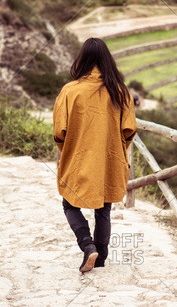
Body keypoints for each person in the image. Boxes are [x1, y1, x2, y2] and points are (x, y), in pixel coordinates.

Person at [53, 37, 138, 273]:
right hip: (110, 160)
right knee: (104, 210)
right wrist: (114, 149)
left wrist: (69, 150)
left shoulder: (70, 91)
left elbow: (60, 132)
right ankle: (100, 258)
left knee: (69, 204)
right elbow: (129, 130)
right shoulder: (120, 92)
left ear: (83, 60)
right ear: (107, 60)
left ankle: (88, 247)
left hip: (78, 159)